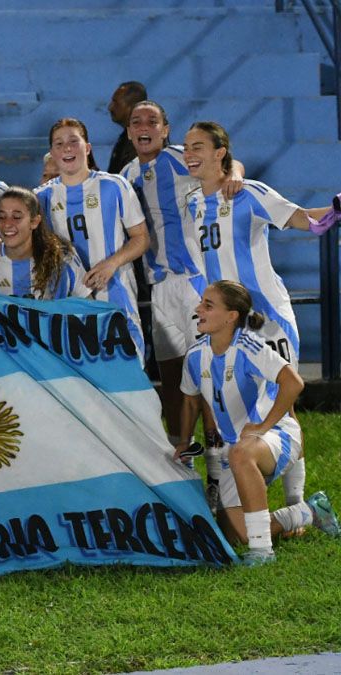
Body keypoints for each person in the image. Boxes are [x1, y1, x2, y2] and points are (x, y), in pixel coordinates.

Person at [184, 121, 338, 509]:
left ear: (220, 153)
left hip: (266, 317)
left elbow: (308, 220)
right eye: (186, 147)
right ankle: (228, 487)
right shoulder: (191, 203)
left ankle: (298, 502)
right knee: (225, 401)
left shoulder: (249, 194)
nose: (189, 154)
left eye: (198, 146)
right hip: (222, 319)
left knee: (278, 401)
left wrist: (337, 208)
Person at [174, 281, 339, 564]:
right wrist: (184, 443)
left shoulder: (249, 347)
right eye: (201, 302)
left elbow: (293, 383)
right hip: (237, 451)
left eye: (208, 305)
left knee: (240, 453)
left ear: (231, 316)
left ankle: (262, 552)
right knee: (235, 533)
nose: (198, 309)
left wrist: (263, 427)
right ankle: (309, 512)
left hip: (276, 438)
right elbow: (190, 401)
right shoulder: (194, 356)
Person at [119, 101, 245, 448]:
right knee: (173, 377)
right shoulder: (126, 176)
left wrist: (234, 175)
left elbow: (228, 163)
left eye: (152, 121)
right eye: (136, 121)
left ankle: (221, 467)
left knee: (208, 373)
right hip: (159, 288)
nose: (144, 126)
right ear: (129, 132)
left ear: (165, 128)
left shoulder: (182, 158)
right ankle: (182, 458)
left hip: (196, 282)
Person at [35, 117, 148, 352]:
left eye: (73, 141)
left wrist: (111, 264)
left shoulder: (115, 186)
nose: (67, 147)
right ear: (52, 153)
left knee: (129, 372)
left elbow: (142, 238)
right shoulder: (41, 197)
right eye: (59, 143)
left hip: (116, 293)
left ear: (87, 147)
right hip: (67, 301)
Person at [0, 187, 92, 300]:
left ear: (34, 222)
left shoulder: (62, 257)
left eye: (16, 217)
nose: (7, 224)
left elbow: (90, 308)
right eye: (1, 217)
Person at [106, 81, 147, 174]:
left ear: (132, 107)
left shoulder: (143, 142)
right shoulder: (125, 138)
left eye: (116, 103)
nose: (110, 107)